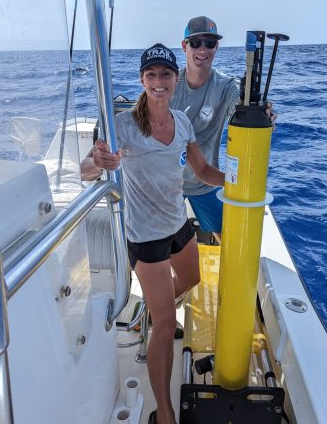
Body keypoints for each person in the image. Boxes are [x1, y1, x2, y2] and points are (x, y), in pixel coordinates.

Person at [81, 43, 224, 424]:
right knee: (164, 326)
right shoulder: (124, 125)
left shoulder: (183, 122)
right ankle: (165, 414)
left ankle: (153, 306)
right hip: (145, 238)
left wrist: (240, 183)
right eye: (151, 75)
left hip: (178, 223)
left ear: (176, 79)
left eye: (165, 74)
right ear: (142, 81)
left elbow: (204, 171)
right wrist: (98, 162)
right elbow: (86, 170)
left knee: (192, 277)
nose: (159, 81)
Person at [170, 16, 276, 244]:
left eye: (209, 43)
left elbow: (240, 106)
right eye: (196, 42)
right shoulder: (169, 84)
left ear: (216, 47)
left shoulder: (226, 86)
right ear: (184, 46)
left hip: (205, 181)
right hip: (167, 184)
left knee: (231, 241)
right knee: (163, 243)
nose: (203, 49)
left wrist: (259, 114)